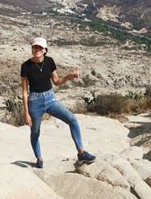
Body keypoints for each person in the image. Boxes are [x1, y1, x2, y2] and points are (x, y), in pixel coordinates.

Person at [20, 37, 96, 169]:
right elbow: (25, 91)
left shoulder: (49, 62)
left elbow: (56, 81)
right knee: (35, 131)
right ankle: (39, 158)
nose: (37, 49)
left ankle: (81, 153)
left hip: (50, 99)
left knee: (72, 119)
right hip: (35, 102)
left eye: (40, 47)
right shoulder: (26, 66)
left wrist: (69, 76)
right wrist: (26, 113)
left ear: (45, 50)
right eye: (35, 47)